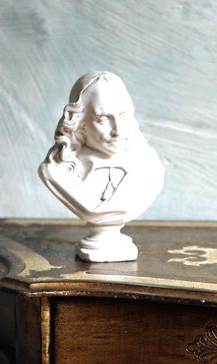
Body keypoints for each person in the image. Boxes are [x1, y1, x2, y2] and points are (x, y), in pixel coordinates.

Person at [39, 71, 164, 260]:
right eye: (103, 119)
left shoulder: (150, 167)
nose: (118, 130)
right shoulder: (56, 172)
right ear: (80, 123)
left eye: (122, 115)